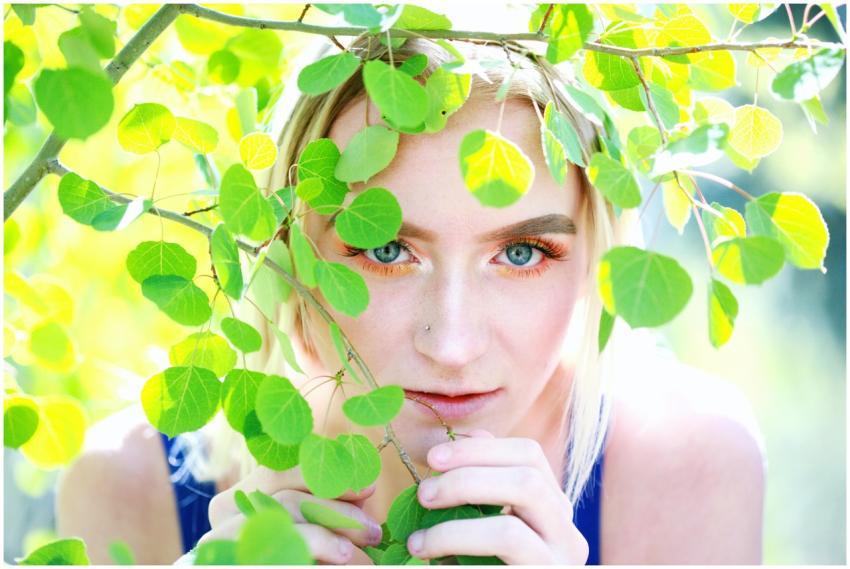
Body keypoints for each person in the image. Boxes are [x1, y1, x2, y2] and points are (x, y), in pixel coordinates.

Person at [55, 33, 767, 565]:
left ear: (592, 257)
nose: (452, 345)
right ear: (289, 251)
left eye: (521, 253)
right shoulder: (131, 484)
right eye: (387, 250)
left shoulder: (688, 469)